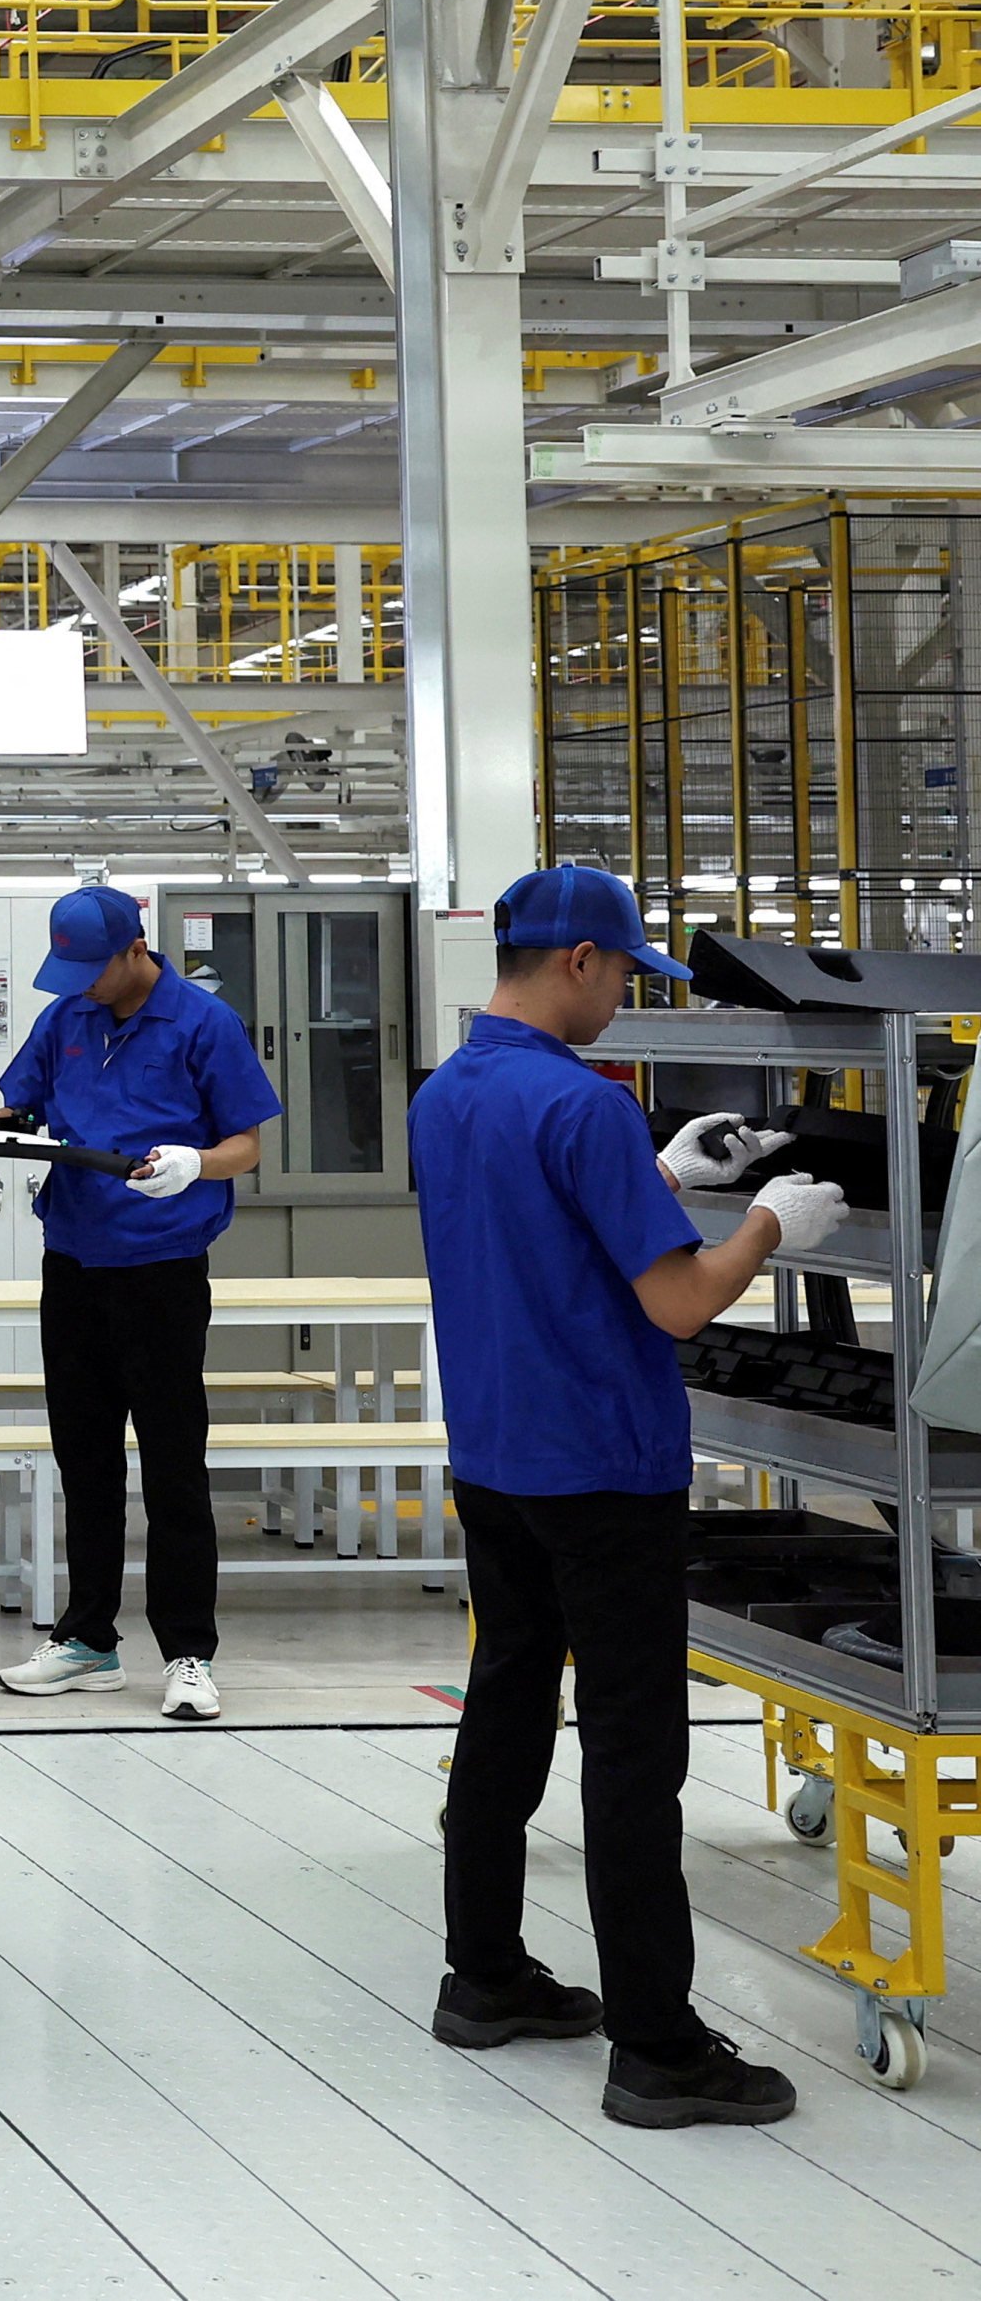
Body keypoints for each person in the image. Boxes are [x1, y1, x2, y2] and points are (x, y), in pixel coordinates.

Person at [415, 863, 842, 2130]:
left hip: (496, 1455)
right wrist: (768, 1224)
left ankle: (483, 1977)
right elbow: (679, 1302)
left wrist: (662, 1179)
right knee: (632, 1753)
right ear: (581, 963)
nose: (623, 1006)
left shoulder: (450, 1092)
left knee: (505, 1711)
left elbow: (533, 1224)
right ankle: (658, 2049)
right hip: (604, 1467)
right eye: (623, 978)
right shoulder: (582, 1104)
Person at [0, 885, 282, 1721]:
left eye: (90, 968)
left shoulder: (200, 1021)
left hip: (160, 1267)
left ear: (133, 949)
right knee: (83, 1456)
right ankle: (87, 1640)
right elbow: (25, 1097)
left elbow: (245, 1143)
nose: (78, 984)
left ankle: (188, 1651)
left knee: (172, 1462)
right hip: (72, 1260)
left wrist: (197, 1162)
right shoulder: (67, 1019)